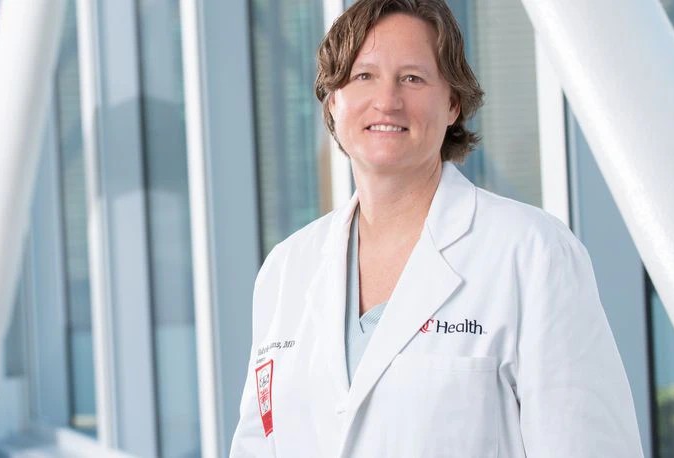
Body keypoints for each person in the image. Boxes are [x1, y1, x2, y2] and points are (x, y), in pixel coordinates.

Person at [230, 0, 644, 456]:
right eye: (363, 76)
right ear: (333, 101)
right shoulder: (286, 270)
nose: (387, 100)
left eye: (412, 78)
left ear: (452, 104)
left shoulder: (531, 254)